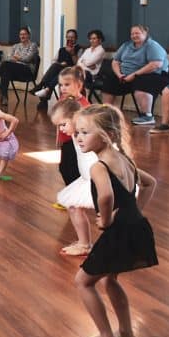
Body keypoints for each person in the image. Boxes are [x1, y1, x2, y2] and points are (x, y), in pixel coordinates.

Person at [73, 103, 157, 337]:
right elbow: (150, 184)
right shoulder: (125, 159)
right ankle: (127, 333)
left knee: (83, 282)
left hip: (118, 231)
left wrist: (107, 220)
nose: (78, 137)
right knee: (110, 279)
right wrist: (137, 211)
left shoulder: (99, 166)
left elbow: (106, 197)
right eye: (77, 132)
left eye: (85, 132)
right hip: (137, 227)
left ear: (107, 135)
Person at [51, 99, 98, 257]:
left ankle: (86, 245)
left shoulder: (85, 133)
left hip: (96, 179)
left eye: (63, 124)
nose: (61, 129)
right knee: (73, 206)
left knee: (106, 215)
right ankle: (84, 242)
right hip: (86, 178)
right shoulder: (75, 134)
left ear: (75, 117)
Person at [98, 25, 169, 125]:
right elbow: (115, 61)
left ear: (145, 33)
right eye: (132, 33)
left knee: (140, 80)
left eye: (137, 33)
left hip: (155, 74)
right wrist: (119, 74)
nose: (134, 35)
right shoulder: (126, 45)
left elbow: (155, 64)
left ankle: (147, 116)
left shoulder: (152, 45)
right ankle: (107, 112)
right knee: (110, 79)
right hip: (126, 75)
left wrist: (134, 75)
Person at [53, 66, 91, 188]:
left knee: (73, 170)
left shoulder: (83, 105)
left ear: (79, 85)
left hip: (76, 143)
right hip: (66, 142)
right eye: (61, 85)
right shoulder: (63, 99)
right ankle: (71, 193)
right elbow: (60, 121)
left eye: (67, 84)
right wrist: (59, 139)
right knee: (64, 168)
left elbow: (87, 127)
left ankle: (74, 195)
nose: (63, 88)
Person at [34, 29, 81, 101]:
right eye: (68, 37)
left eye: (72, 37)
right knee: (55, 68)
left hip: (72, 71)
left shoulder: (79, 49)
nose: (70, 39)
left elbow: (78, 64)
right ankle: (46, 91)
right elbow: (54, 61)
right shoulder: (61, 49)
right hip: (60, 70)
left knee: (58, 71)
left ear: (76, 38)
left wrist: (72, 54)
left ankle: (43, 88)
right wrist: (60, 64)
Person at [0, 27, 38, 102]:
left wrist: (17, 58)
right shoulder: (16, 46)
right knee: (5, 71)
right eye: (21, 34)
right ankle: (5, 97)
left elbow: (27, 59)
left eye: (24, 34)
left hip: (27, 70)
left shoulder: (33, 45)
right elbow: (9, 58)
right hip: (15, 70)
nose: (22, 36)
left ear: (28, 35)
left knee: (5, 64)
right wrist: (16, 58)